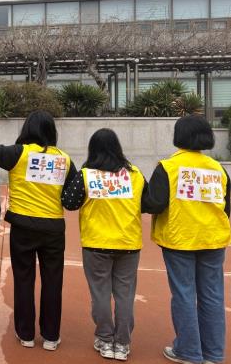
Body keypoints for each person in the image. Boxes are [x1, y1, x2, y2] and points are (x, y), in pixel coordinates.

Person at [0, 110, 76, 351]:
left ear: (27, 129)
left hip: (23, 227)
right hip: (52, 228)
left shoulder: (18, 154)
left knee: (24, 280)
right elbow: (72, 194)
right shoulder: (64, 159)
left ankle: (26, 334)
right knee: (53, 282)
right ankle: (51, 337)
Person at [144, 115, 230, 364]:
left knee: (184, 294)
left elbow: (155, 203)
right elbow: (226, 206)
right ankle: (213, 353)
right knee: (213, 295)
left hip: (179, 238)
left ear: (178, 136)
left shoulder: (168, 167)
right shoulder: (218, 168)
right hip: (213, 239)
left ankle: (189, 352)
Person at [62, 128, 147, 361]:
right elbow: (148, 202)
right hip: (128, 243)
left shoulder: (86, 174)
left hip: (96, 243)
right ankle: (123, 343)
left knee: (100, 294)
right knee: (125, 295)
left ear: (93, 149)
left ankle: (105, 339)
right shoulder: (135, 174)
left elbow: (69, 202)